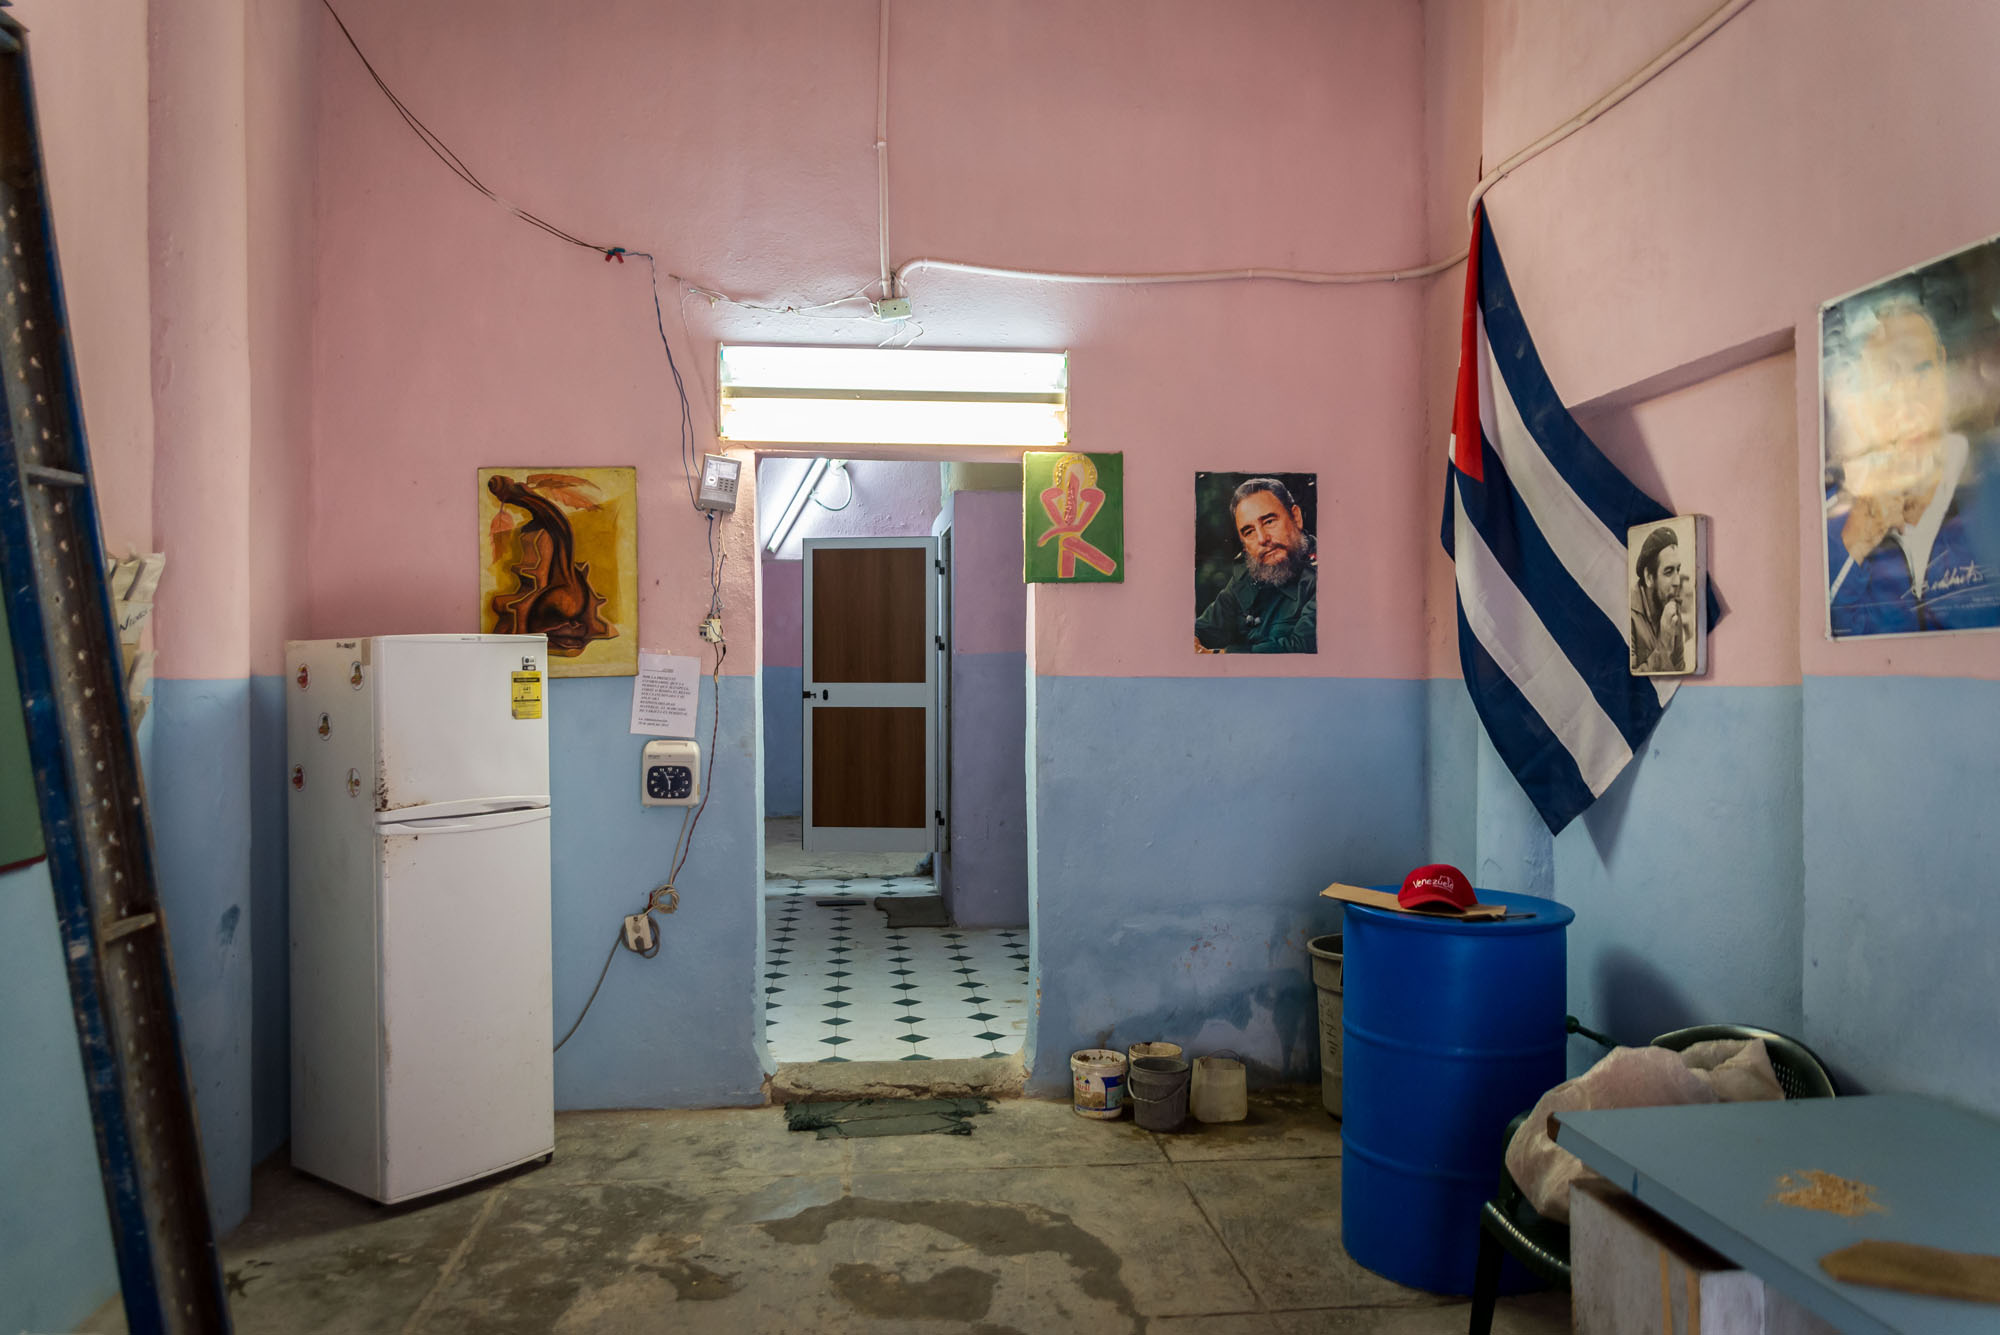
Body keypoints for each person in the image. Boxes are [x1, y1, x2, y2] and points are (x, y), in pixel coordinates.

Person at [1823, 291, 1998, 635]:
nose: (1908, 398)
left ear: (1943, 367)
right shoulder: (1834, 519)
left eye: (1922, 370)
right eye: (1886, 381)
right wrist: (1854, 543)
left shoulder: (1989, 482)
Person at [1195, 477, 1317, 653]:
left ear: (1296, 517)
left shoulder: (1329, 574)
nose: (1262, 539)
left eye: (1269, 521)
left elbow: (1302, 647)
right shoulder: (1247, 577)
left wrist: (1218, 654)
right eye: (1249, 531)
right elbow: (1203, 629)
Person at [1630, 525, 1687, 672]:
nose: (1677, 581)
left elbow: (1680, 668)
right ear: (1649, 577)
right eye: (1668, 572)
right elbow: (1631, 678)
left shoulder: (1671, 606)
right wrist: (1664, 643)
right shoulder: (1629, 614)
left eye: (1678, 570)